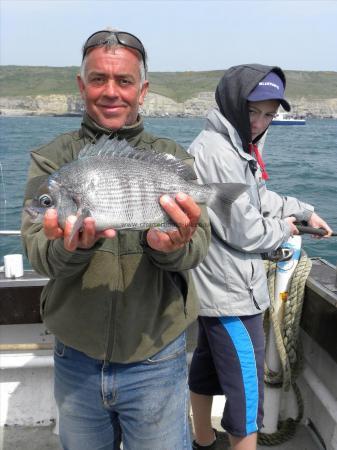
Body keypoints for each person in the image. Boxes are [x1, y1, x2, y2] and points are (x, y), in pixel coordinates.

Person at [21, 29, 211, 450]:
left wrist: (173, 246)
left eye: (124, 81)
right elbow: (38, 250)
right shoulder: (52, 160)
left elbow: (199, 246)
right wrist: (72, 248)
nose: (111, 92)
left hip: (156, 355)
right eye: (98, 79)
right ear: (81, 85)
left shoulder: (172, 159)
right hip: (77, 357)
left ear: (142, 90)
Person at [187, 64, 332, 450]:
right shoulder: (218, 152)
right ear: (234, 104)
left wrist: (301, 209)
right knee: (248, 399)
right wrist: (288, 229)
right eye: (253, 111)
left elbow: (256, 199)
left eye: (269, 114)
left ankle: (203, 441)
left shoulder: (234, 144)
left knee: (205, 367)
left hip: (217, 287)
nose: (260, 122)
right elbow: (245, 229)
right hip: (231, 292)